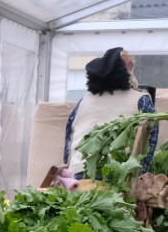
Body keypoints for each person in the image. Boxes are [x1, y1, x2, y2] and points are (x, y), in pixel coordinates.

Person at [64, 47, 158, 179]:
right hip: (116, 176)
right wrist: (140, 177)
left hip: (78, 173)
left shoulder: (83, 101)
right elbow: (149, 143)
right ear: (128, 68)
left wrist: (69, 169)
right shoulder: (141, 100)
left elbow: (69, 136)